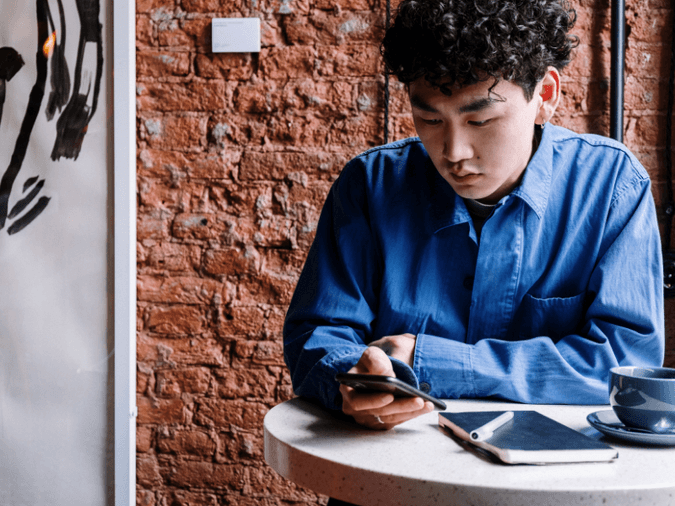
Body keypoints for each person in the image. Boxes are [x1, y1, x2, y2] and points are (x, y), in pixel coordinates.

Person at [283, 0, 665, 437]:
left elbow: (622, 366)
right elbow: (316, 335)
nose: (453, 152)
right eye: (428, 118)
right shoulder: (371, 186)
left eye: (480, 119)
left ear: (545, 95)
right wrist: (352, 380)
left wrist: (428, 362)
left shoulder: (612, 186)